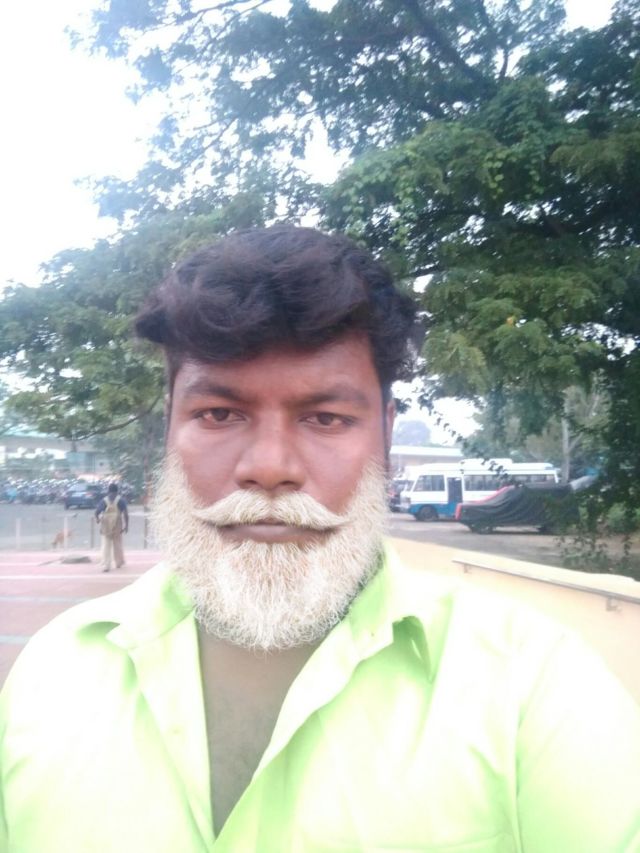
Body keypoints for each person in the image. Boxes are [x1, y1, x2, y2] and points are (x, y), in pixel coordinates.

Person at [0, 225, 638, 852]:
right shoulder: (52, 672)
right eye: (218, 414)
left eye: (326, 418)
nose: (269, 467)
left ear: (386, 433)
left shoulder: (532, 684)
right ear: (170, 426)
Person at [94, 481, 129, 571]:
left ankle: (106, 564)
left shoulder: (104, 500)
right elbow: (125, 514)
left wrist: (98, 520)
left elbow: (97, 512)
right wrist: (126, 526)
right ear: (117, 491)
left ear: (108, 491)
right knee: (117, 543)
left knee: (106, 544)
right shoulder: (121, 500)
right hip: (117, 524)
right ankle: (118, 562)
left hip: (106, 525)